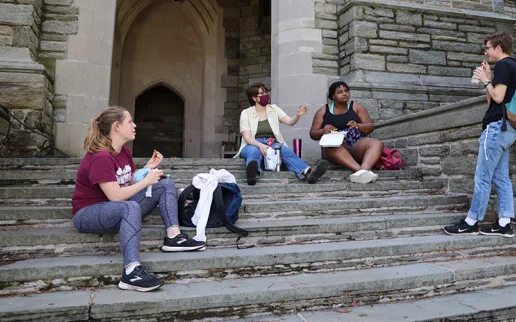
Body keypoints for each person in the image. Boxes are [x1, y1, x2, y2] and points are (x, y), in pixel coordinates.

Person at [71, 106, 204, 292]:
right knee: (130, 207)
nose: (134, 125)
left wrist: (147, 169)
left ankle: (174, 237)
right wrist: (146, 182)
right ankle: (131, 272)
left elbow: (128, 179)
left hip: (116, 209)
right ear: (117, 126)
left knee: (164, 183)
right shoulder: (100, 157)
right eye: (130, 121)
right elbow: (116, 196)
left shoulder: (123, 151)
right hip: (89, 214)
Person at [444, 32, 516, 238]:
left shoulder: (505, 65)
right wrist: (490, 79)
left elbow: (498, 96)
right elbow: (493, 101)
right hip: (507, 128)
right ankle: (504, 224)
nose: (486, 52)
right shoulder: (514, 66)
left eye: (487, 47)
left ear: (498, 48)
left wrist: (487, 81)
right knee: (501, 177)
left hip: (496, 128)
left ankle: (471, 221)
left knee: (483, 177)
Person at [237, 83, 328, 186]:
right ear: (254, 98)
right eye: (262, 93)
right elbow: (247, 137)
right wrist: (260, 145)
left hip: (272, 142)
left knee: (285, 151)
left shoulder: (274, 109)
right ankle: (253, 174)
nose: (265, 95)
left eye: (266, 92)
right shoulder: (246, 113)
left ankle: (308, 173)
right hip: (252, 144)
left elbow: (290, 121)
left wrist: (297, 115)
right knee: (254, 152)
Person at [309, 81, 383, 184]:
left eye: (346, 91)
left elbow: (370, 127)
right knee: (332, 145)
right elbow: (313, 134)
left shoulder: (357, 107)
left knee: (377, 143)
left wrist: (358, 125)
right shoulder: (323, 111)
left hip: (356, 145)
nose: (345, 94)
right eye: (340, 92)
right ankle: (361, 172)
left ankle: (363, 170)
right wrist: (322, 131)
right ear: (333, 96)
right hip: (335, 149)